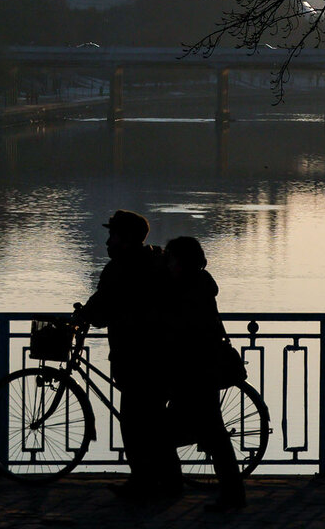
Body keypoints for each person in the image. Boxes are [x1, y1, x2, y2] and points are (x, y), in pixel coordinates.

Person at [79, 210, 181, 500]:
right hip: (163, 354)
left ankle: (144, 483)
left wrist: (83, 316)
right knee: (153, 422)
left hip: (137, 357)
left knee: (135, 424)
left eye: (112, 236)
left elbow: (100, 309)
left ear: (125, 240)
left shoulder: (121, 269)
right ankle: (168, 482)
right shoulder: (157, 261)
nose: (108, 242)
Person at [163, 235, 246, 512]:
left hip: (195, 371)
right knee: (212, 433)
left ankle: (230, 495)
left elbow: (186, 332)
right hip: (201, 369)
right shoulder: (200, 284)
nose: (167, 264)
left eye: (171, 258)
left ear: (181, 261)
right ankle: (231, 494)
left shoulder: (189, 290)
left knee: (206, 433)